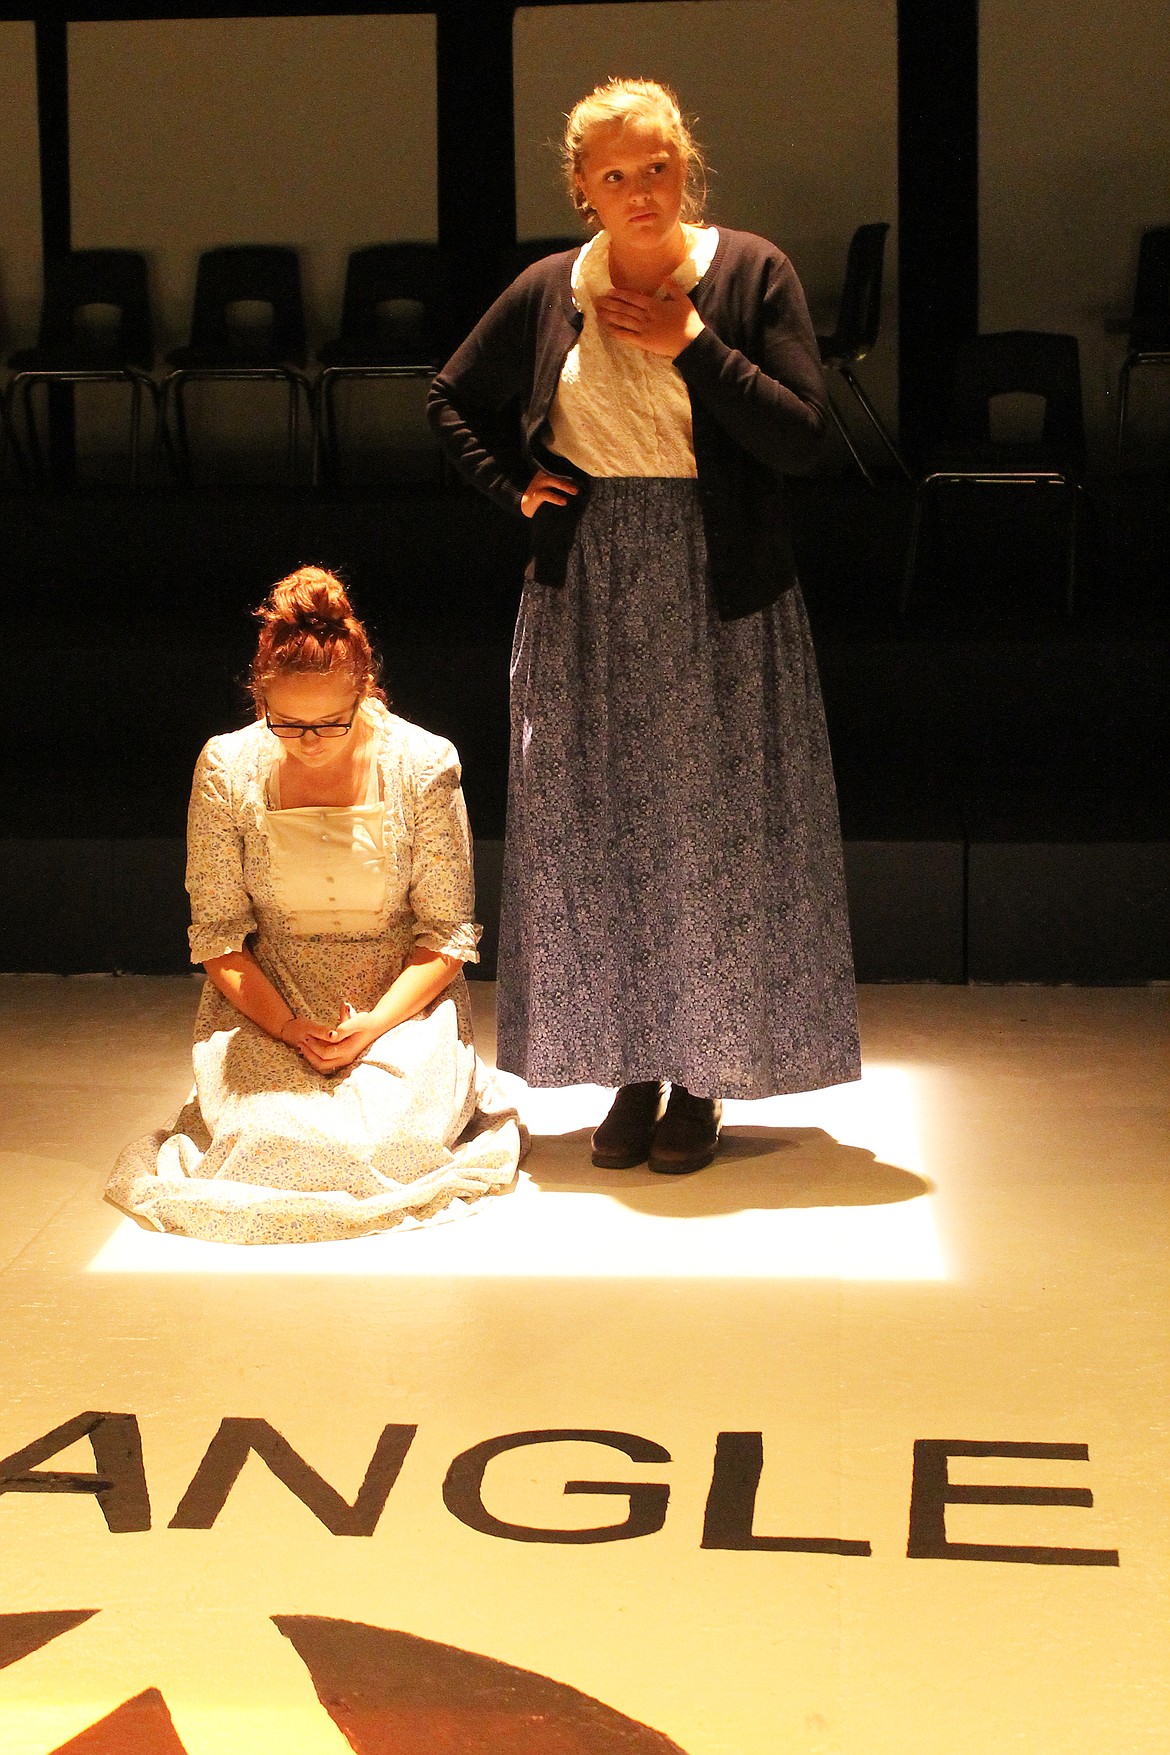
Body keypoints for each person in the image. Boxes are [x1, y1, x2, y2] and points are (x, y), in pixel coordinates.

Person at [428, 77, 860, 1176]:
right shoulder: (548, 288)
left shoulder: (749, 273)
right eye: (615, 174)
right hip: (588, 589)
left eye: (656, 166)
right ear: (583, 189)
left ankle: (703, 1078)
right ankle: (628, 1067)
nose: (640, 191)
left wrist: (691, 343)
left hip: (720, 591)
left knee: (710, 838)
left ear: (686, 166)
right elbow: (448, 397)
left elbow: (806, 436)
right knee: (601, 830)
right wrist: (514, 486)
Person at [106, 567, 523, 1243]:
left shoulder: (423, 764)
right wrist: (290, 1026)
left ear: (362, 694)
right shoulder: (225, 766)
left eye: (330, 722)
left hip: (399, 998)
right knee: (268, 1141)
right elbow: (217, 937)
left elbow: (446, 932)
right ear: (261, 697)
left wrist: (375, 1023)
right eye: (289, 723)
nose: (308, 740)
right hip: (272, 994)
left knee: (381, 1145)